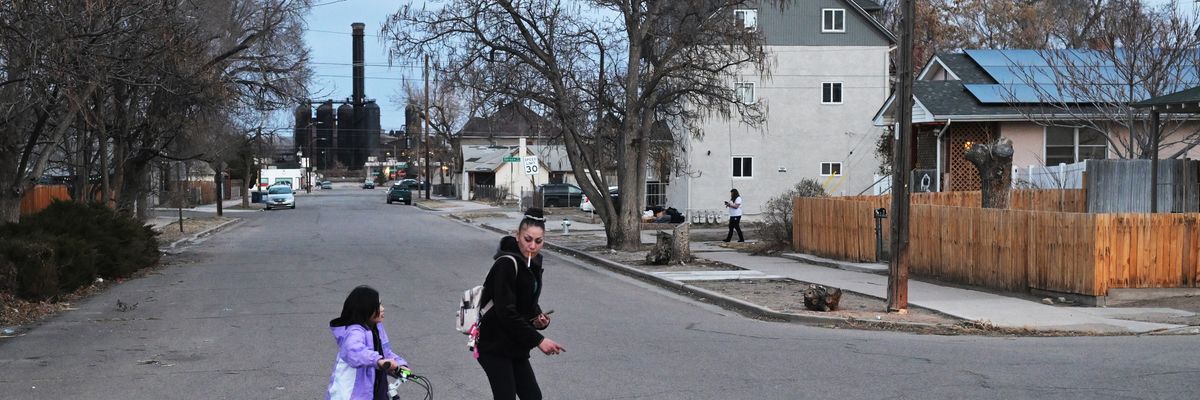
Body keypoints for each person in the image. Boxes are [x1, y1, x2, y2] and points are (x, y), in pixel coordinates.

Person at [476, 208, 565, 400]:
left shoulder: (532, 264)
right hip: (494, 344)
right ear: (518, 236)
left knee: (532, 396)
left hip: (515, 343)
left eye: (538, 241)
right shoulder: (506, 264)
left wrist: (539, 319)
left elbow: (526, 303)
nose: (532, 245)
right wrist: (539, 340)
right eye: (527, 239)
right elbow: (506, 312)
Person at [327, 285, 408, 400]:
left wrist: (400, 365)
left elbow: (385, 353)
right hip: (354, 394)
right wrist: (378, 361)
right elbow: (355, 351)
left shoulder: (377, 328)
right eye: (378, 305)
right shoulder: (354, 331)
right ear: (366, 308)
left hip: (377, 388)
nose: (383, 308)